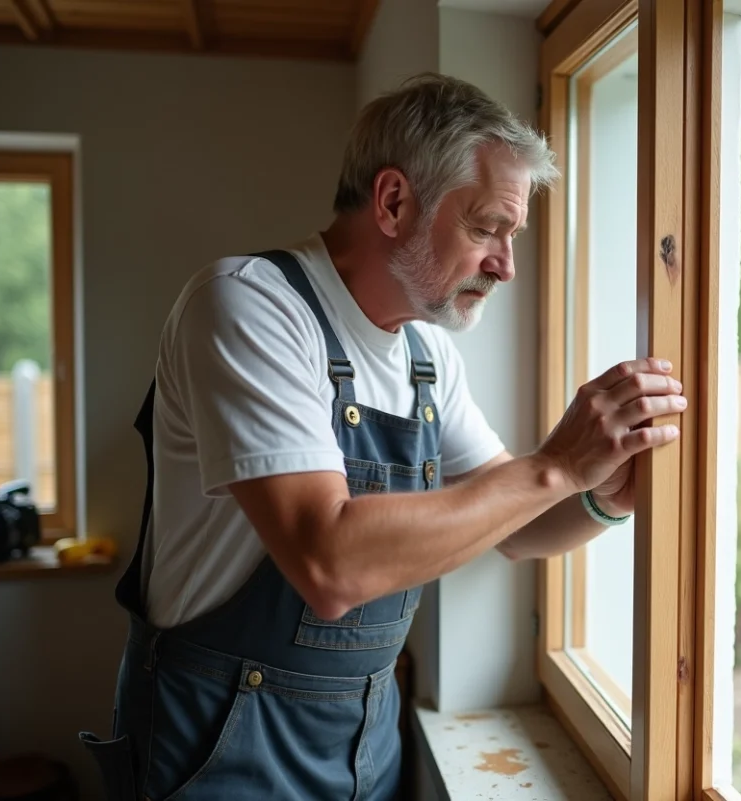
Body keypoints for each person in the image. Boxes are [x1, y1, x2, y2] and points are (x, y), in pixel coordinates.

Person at [80, 72, 686, 801]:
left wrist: (604, 494)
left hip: (368, 741)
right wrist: (556, 465)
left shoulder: (427, 357)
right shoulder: (249, 306)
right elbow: (330, 563)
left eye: (512, 235)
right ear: (394, 201)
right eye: (487, 226)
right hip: (216, 743)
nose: (506, 264)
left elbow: (515, 528)